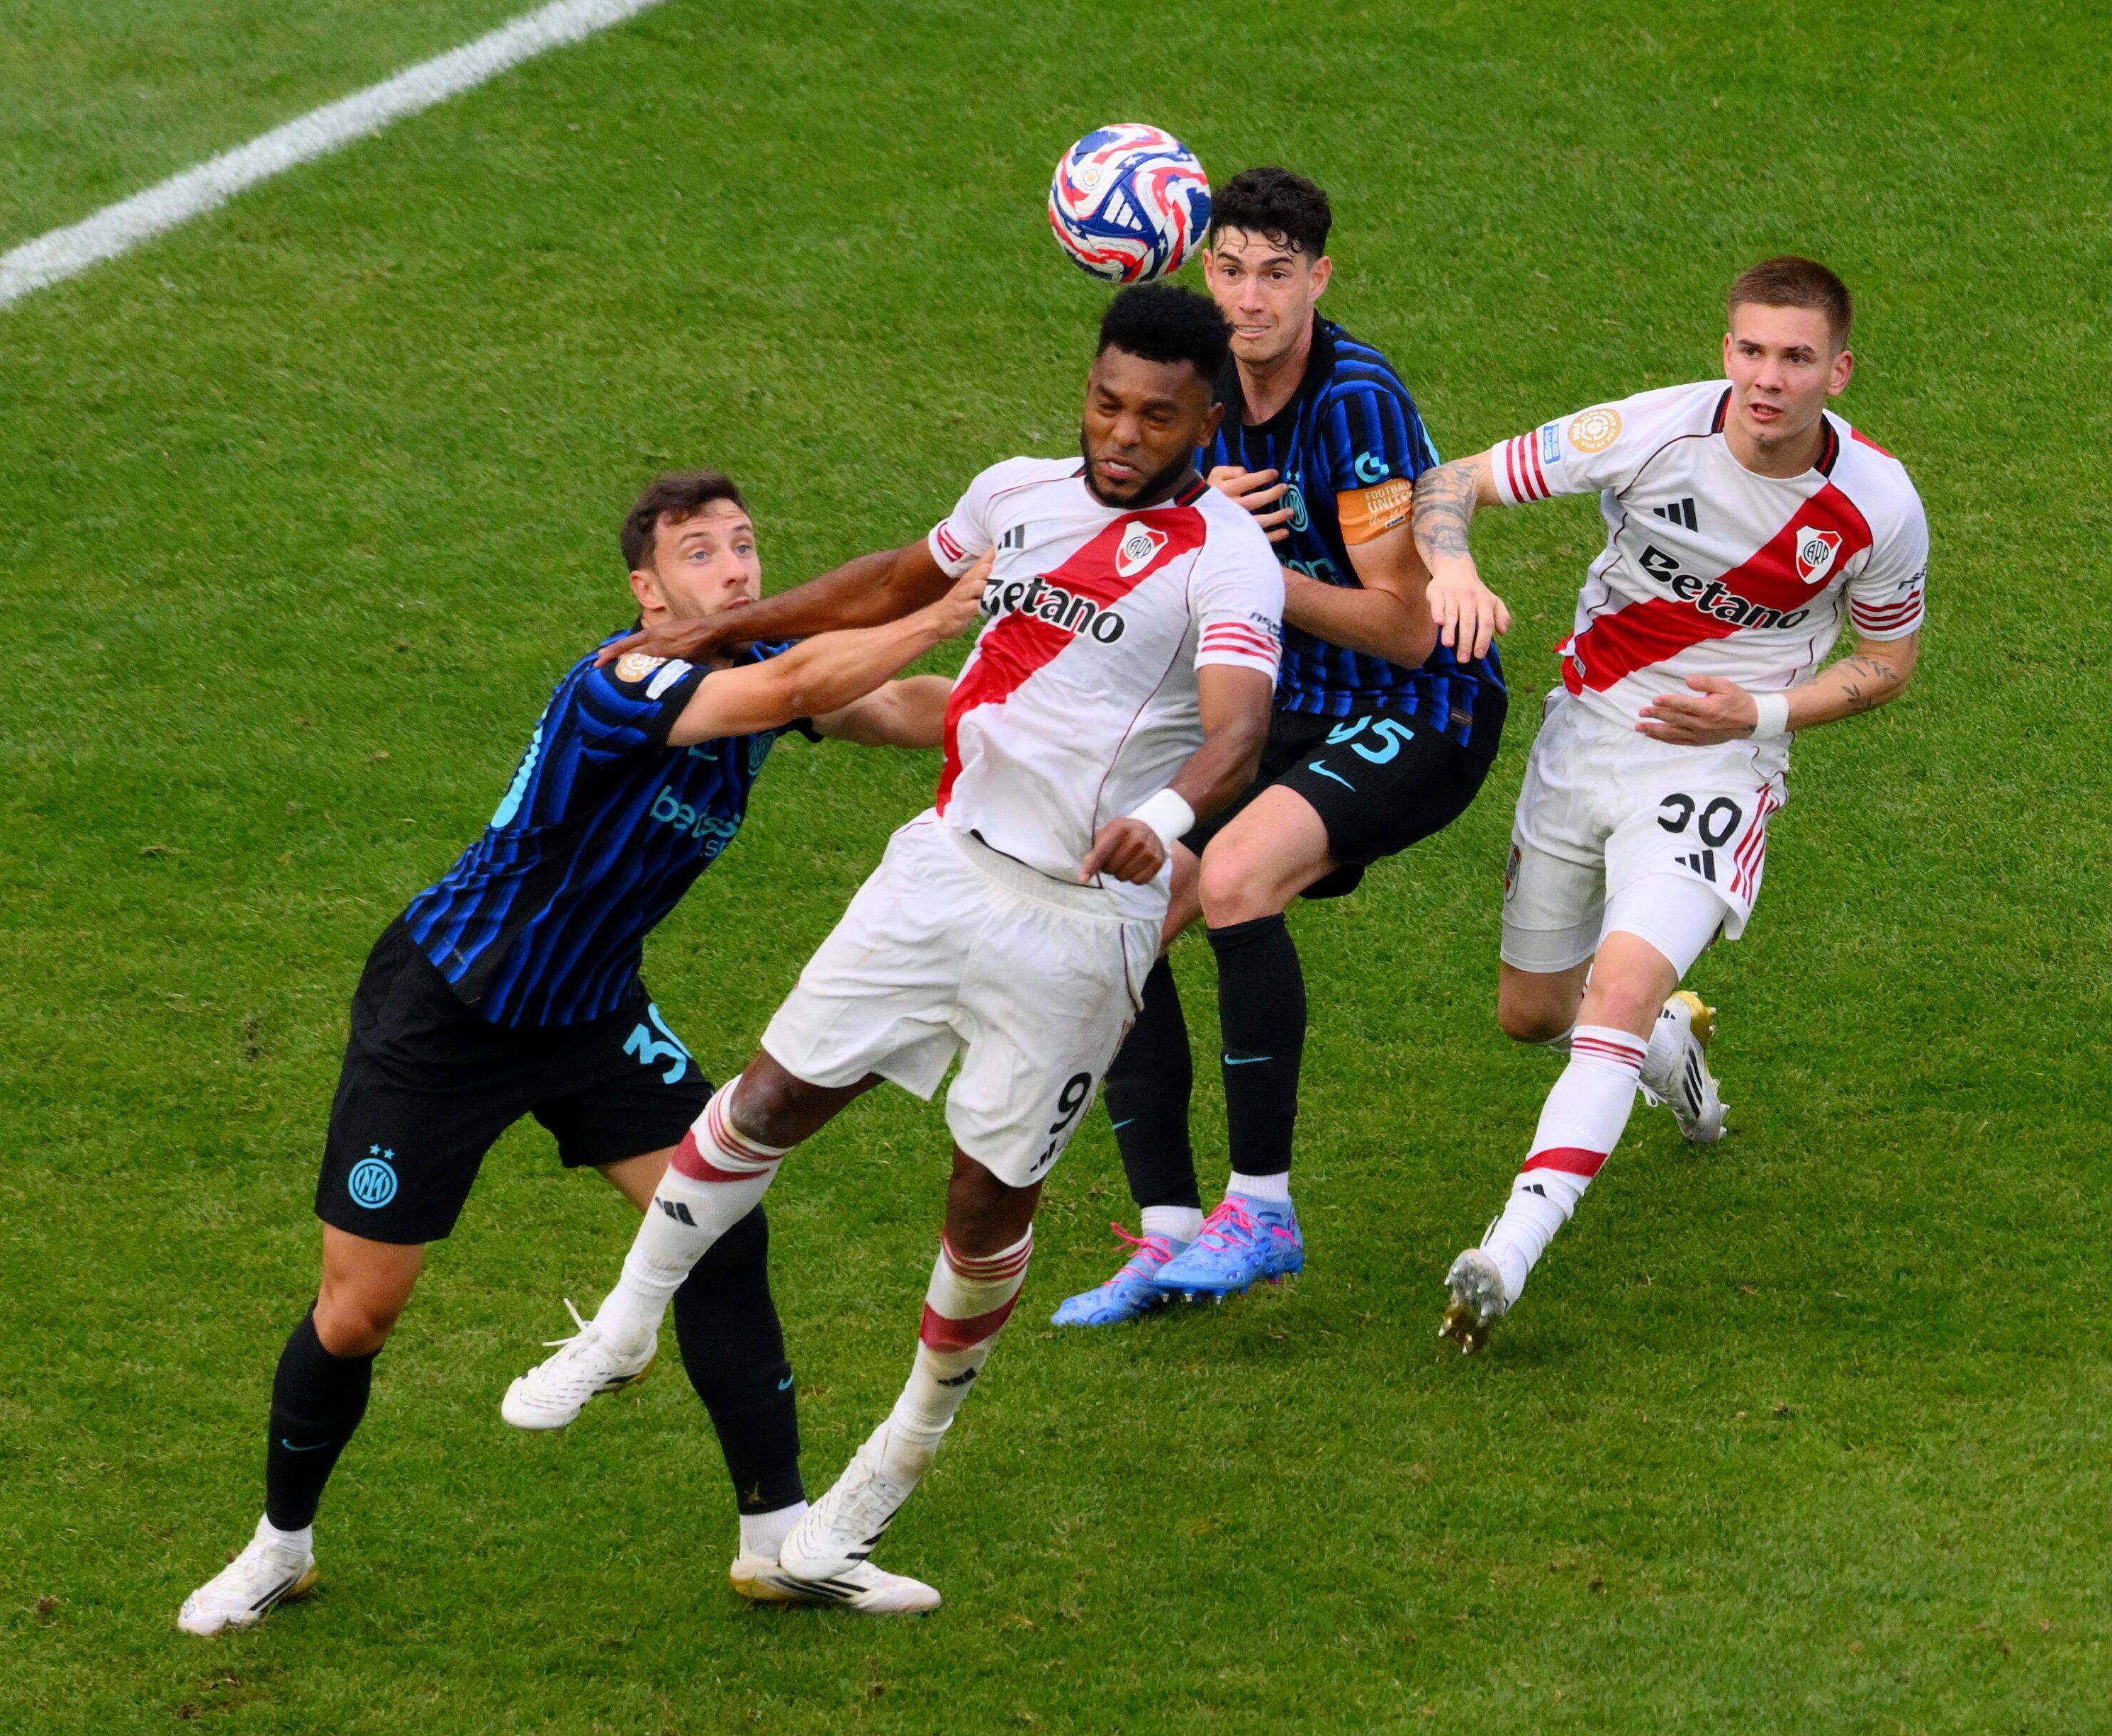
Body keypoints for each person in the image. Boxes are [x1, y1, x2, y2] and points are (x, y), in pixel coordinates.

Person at [506, 284, 1284, 1597]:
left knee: (986, 1204)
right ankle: (627, 1325)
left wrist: (1163, 813)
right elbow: (887, 582)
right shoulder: (1016, 492)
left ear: (1206, 415)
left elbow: (1238, 727)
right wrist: (726, 629)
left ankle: (886, 1472)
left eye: (1156, 415)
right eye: (1105, 401)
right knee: (766, 1098)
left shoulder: (1229, 557)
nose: (1121, 432)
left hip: (1083, 926)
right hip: (940, 873)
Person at [177, 472, 983, 1633]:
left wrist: (1039, 713)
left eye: (747, 545)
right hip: (445, 1015)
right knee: (359, 1312)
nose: (738, 568)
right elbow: (811, 677)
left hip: (590, 1015)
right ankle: (277, 1546)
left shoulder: (754, 684)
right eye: (702, 553)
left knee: (718, 1225)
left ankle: (777, 1541)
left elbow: (893, 707)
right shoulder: (627, 680)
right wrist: (943, 605)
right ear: (648, 592)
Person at [1410, 256, 1929, 1351]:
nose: (1769, 378)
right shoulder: (1650, 431)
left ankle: (1505, 1254)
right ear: (1725, 351)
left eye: (1796, 357)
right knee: (1533, 1014)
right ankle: (1671, 1051)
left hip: (1716, 768)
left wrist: (1761, 715)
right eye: (1751, 350)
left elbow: (1889, 664)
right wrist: (1451, 569)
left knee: (1617, 993)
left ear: (1839, 369)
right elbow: (1451, 480)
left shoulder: (1876, 505)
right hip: (1587, 735)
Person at [1052, 167, 1507, 1325]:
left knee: (1242, 876)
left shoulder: (1356, 403)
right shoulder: (1195, 394)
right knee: (1119, 897)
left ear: (1318, 278)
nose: (1249, 300)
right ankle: (1165, 1233)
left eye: (1275, 275)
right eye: (1230, 270)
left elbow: (1408, 628)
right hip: (1288, 710)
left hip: (1420, 712)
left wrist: (1254, 566)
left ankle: (1265, 1209)